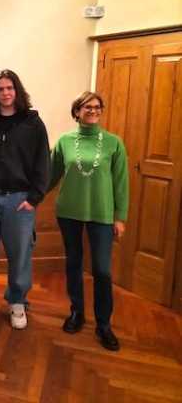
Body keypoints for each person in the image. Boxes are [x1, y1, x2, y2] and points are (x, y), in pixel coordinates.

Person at [49, 91, 128, 351]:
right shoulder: (64, 141)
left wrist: (120, 217)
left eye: (97, 107)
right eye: (87, 107)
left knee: (102, 270)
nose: (93, 110)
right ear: (77, 112)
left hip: (102, 213)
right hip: (69, 211)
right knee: (73, 263)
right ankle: (77, 312)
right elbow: (50, 175)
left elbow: (121, 183)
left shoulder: (114, 143)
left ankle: (104, 324)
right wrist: (31, 199)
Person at [0, 69, 50, 329]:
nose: (5, 93)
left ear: (17, 90)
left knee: (20, 254)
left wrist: (34, 197)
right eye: (0, 89)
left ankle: (17, 301)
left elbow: (43, 161)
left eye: (10, 88)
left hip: (20, 199)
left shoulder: (33, 123)